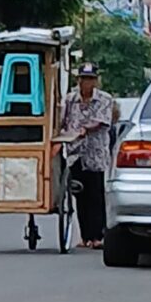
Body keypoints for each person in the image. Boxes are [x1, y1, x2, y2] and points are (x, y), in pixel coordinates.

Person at [59, 60, 119, 249]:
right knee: (80, 196)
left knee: (96, 196)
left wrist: (85, 129)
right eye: (84, 79)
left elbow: (102, 121)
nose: (87, 83)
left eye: (91, 79)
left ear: (96, 80)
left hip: (96, 153)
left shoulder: (105, 99)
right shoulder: (70, 99)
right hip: (75, 153)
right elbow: (63, 121)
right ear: (79, 80)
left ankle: (98, 235)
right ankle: (85, 237)